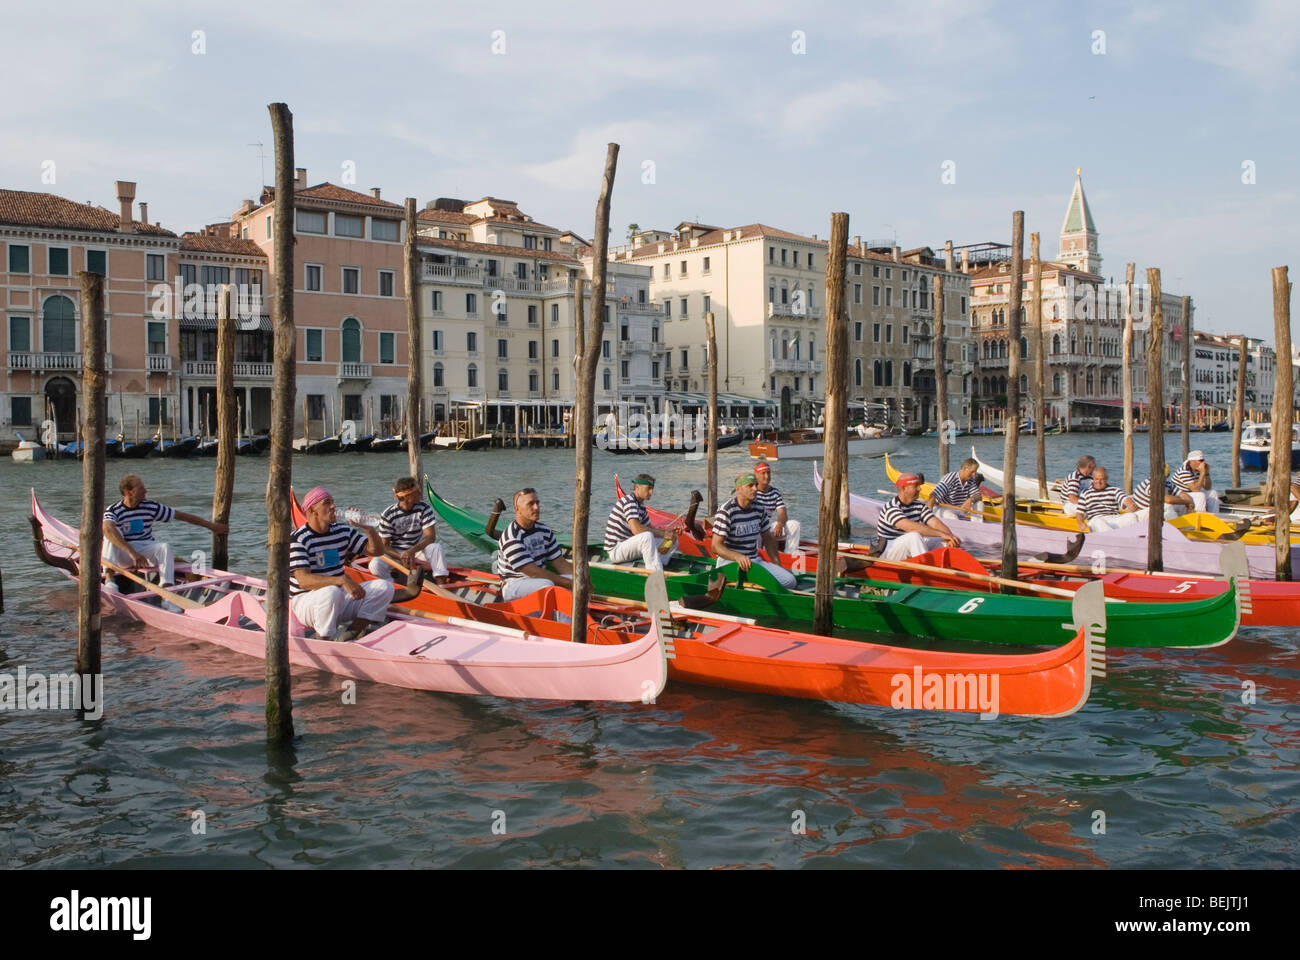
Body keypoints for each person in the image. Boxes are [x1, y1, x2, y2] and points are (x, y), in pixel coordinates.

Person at [290, 486, 415, 643]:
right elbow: (304, 581)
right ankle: (323, 640)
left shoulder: (342, 531)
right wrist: (342, 580)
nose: (333, 506)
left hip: (337, 596)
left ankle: (350, 634)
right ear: (312, 511)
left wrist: (368, 528)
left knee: (384, 588)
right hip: (306, 603)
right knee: (331, 593)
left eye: (333, 502)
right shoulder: (299, 539)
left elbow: (376, 551)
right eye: (327, 503)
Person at [102, 474, 228, 587]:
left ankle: (167, 588)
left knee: (164, 547)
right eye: (141, 489)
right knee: (111, 531)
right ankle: (109, 579)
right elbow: (107, 529)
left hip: (144, 549)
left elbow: (183, 516)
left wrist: (212, 526)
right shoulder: (114, 510)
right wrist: (132, 553)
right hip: (123, 554)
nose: (145, 491)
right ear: (129, 492)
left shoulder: (150, 507)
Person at [711, 473, 797, 588]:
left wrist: (777, 564)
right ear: (738, 489)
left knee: (789, 581)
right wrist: (737, 556)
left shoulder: (759, 508)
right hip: (730, 563)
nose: (755, 488)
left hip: (754, 561)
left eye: (756, 485)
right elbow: (716, 546)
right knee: (773, 584)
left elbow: (768, 538)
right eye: (750, 486)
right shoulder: (727, 511)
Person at [495, 487, 578, 601]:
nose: (536, 507)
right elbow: (533, 572)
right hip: (513, 584)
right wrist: (568, 583)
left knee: (576, 580)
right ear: (517, 508)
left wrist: (579, 580)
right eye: (531, 504)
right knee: (547, 585)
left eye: (537, 503)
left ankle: (569, 616)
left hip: (538, 580)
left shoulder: (544, 531)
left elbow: (560, 563)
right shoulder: (511, 537)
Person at [368, 476, 449, 583]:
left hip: (418, 550)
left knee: (436, 548)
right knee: (375, 565)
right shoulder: (388, 515)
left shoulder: (424, 508)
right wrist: (402, 556)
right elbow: (385, 545)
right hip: (396, 553)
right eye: (417, 492)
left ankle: (441, 585)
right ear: (407, 496)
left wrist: (411, 551)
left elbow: (430, 537)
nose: (420, 494)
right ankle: (392, 585)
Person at [878, 473, 961, 560]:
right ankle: (926, 568)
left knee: (942, 540)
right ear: (904, 488)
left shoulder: (920, 505)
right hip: (887, 551)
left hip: (907, 546)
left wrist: (950, 537)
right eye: (916, 486)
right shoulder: (891, 507)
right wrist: (942, 534)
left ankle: (948, 564)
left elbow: (935, 523)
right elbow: (911, 527)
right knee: (914, 536)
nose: (919, 488)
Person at [603, 473, 676, 569]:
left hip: (627, 546)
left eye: (652, 489)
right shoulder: (629, 502)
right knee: (647, 536)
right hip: (616, 550)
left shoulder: (641, 506)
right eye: (648, 488)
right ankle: (654, 573)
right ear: (637, 488)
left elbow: (649, 528)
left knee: (674, 539)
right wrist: (664, 534)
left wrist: (667, 533)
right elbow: (636, 530)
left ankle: (659, 564)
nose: (651, 492)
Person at [753, 462, 802, 552]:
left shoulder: (775, 492)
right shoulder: (752, 491)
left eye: (768, 473)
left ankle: (790, 554)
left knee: (794, 525)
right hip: (756, 526)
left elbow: (782, 512)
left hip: (768, 526)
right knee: (755, 530)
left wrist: (780, 524)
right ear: (756, 475)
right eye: (763, 473)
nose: (767, 476)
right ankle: (757, 553)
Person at [1075, 466, 1137, 531]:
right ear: (1093, 479)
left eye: (1102, 479)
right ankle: (1114, 537)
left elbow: (1125, 499)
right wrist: (1081, 523)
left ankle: (1134, 539)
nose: (1099, 482)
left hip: (1113, 518)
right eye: (1096, 479)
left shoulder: (1114, 490)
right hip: (1096, 519)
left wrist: (1131, 505)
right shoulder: (1085, 493)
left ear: (1106, 479)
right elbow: (1079, 513)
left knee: (1131, 516)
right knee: (1098, 521)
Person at [927, 458, 983, 522]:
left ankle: (976, 526)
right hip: (943, 508)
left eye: (975, 472)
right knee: (953, 518)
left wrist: (970, 500)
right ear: (965, 469)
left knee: (979, 503)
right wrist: (929, 515)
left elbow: (978, 495)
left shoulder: (970, 480)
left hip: (959, 509)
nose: (974, 474)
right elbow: (933, 495)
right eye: (972, 472)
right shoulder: (950, 478)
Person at [1126, 470, 1191, 523]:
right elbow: (1168, 500)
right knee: (1167, 506)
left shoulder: (1167, 483)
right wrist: (1187, 502)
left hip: (1153, 511)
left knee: (1181, 504)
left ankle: (1186, 525)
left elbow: (1182, 494)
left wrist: (1190, 505)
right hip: (1140, 513)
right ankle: (1177, 528)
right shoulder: (1150, 484)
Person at [1172, 451, 1221, 515]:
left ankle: (1214, 516)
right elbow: (1195, 489)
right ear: (1191, 461)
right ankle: (1200, 518)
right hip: (1179, 497)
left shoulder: (1197, 470)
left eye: (1203, 460)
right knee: (1200, 495)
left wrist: (1206, 474)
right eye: (1200, 460)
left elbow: (1208, 487)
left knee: (1212, 493)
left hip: (1190, 494)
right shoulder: (1184, 471)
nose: (1203, 463)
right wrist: (1202, 473)